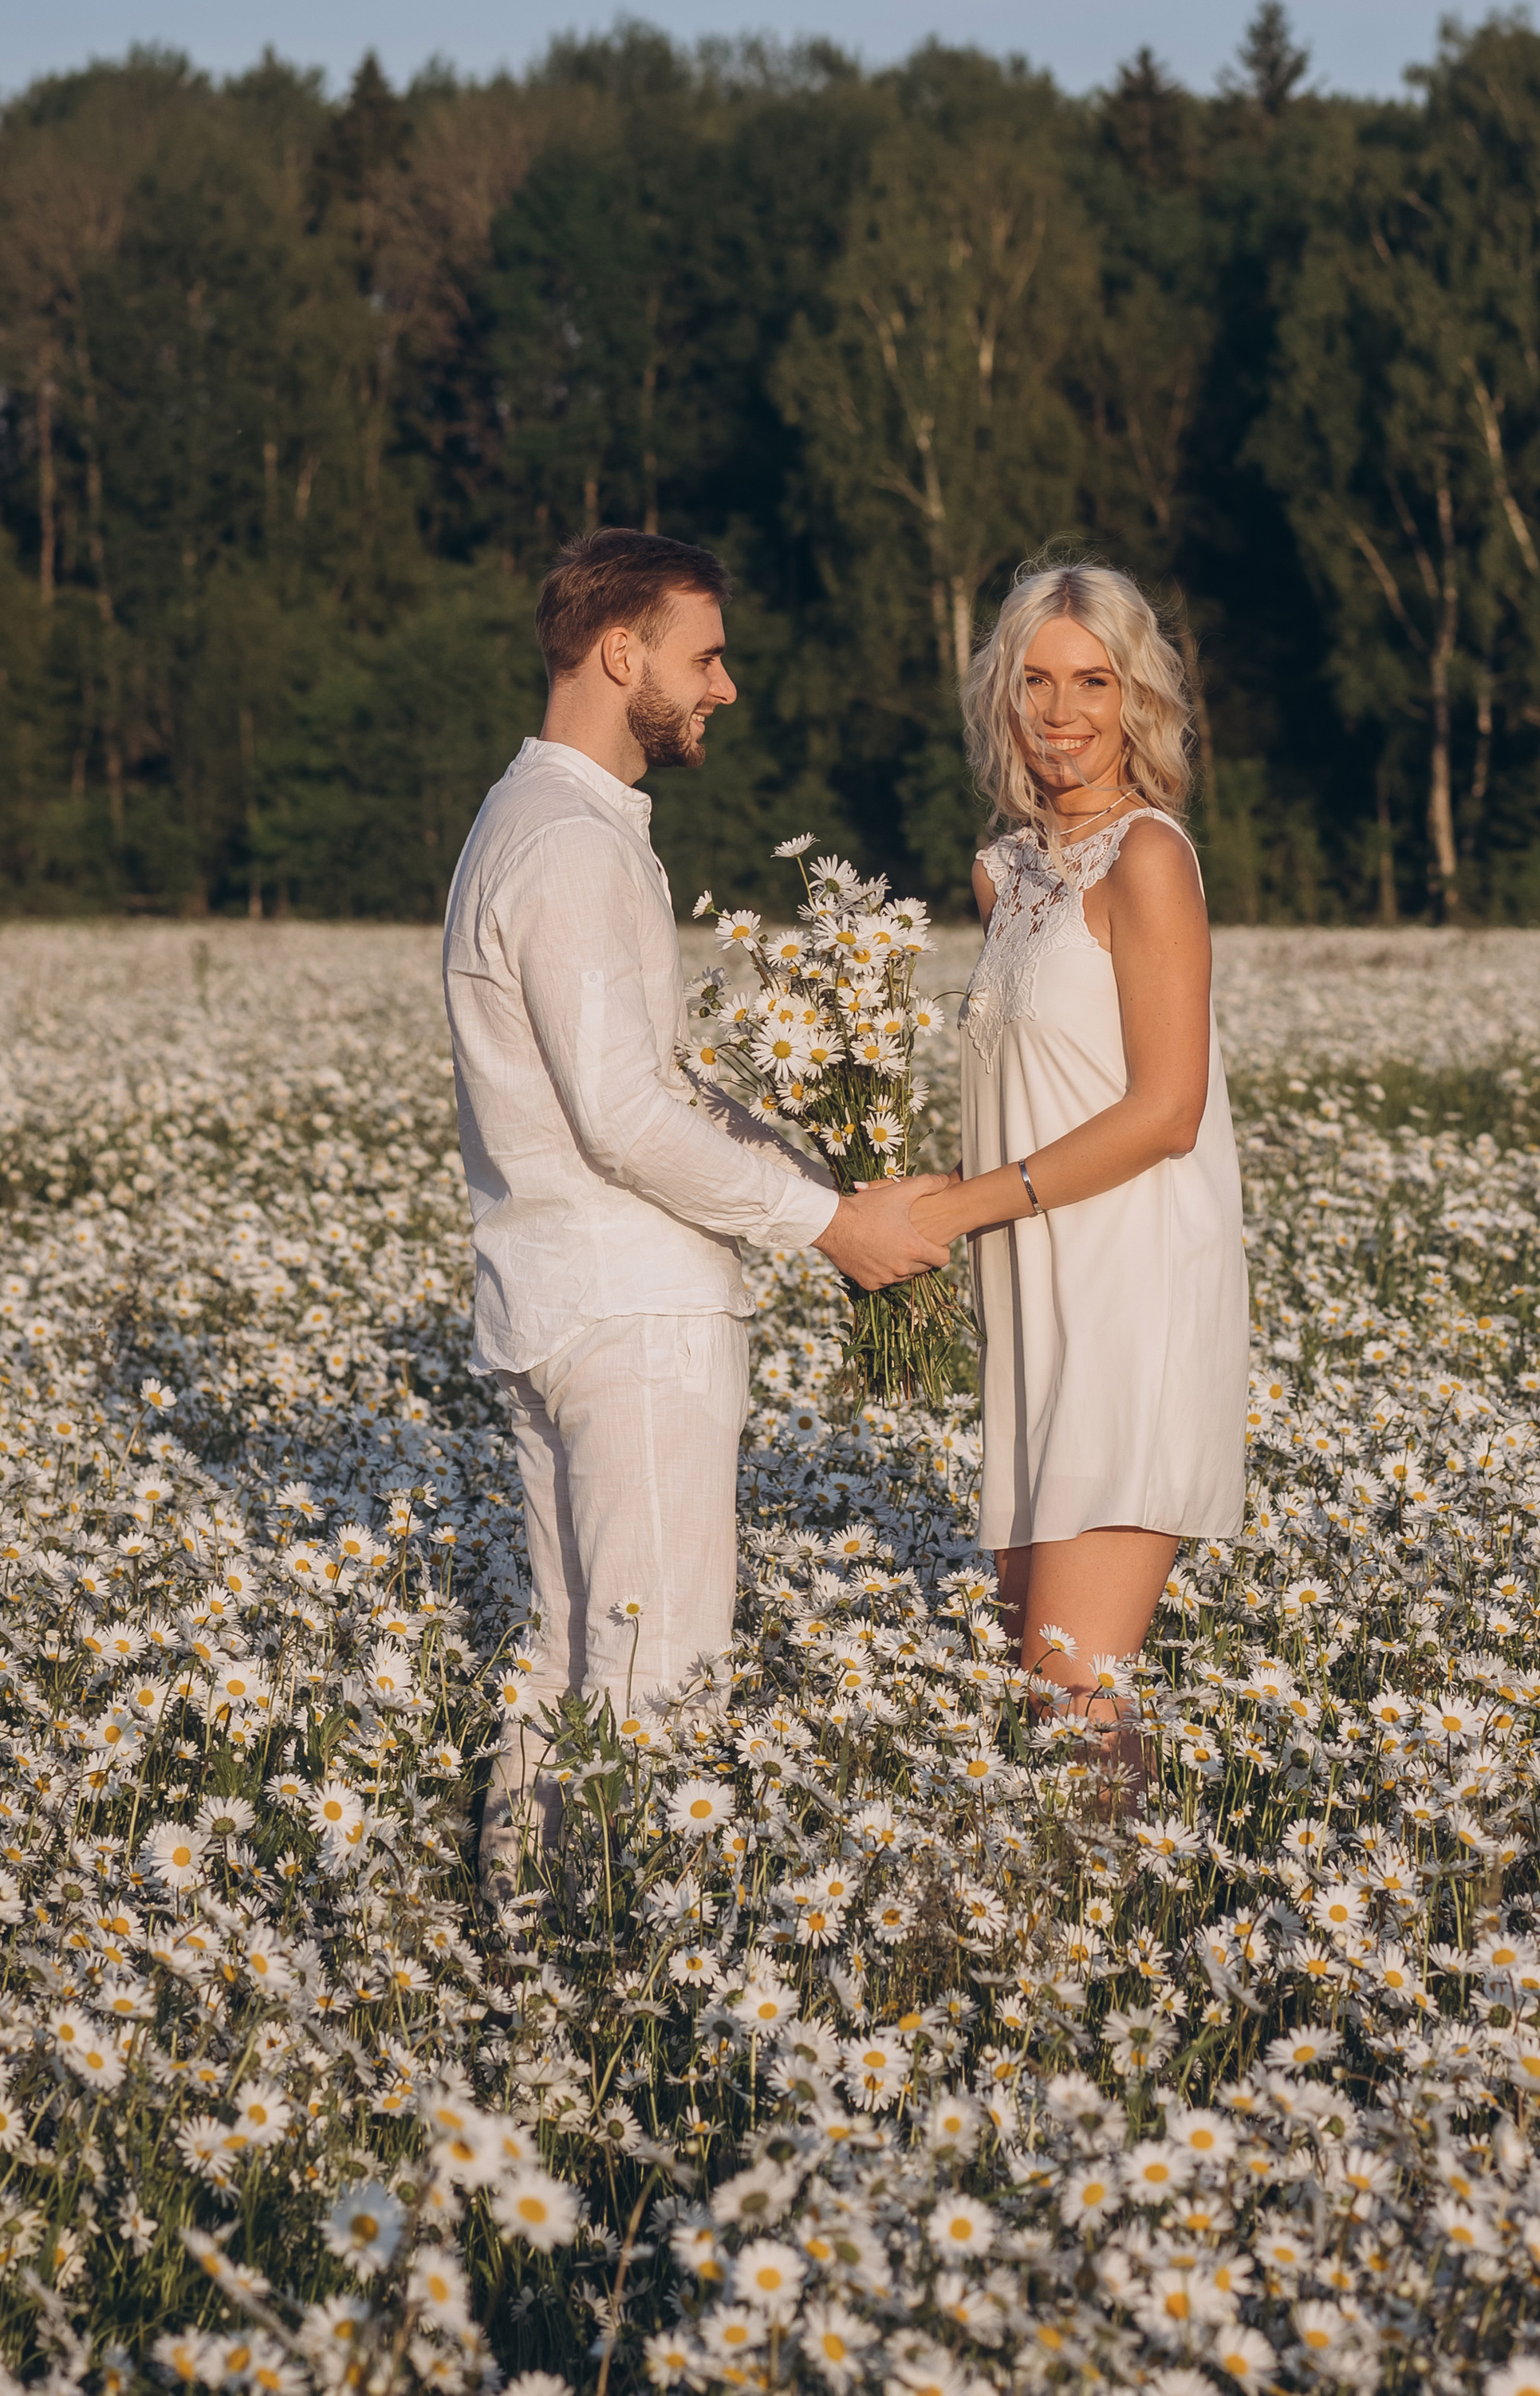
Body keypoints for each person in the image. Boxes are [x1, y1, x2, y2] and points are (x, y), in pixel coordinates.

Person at [445, 528, 949, 1886]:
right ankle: (622, 1964)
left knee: (572, 1657)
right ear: (623, 655)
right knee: (659, 1666)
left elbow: (641, 1083)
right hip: (631, 1313)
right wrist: (826, 1223)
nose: (725, 686)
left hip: (562, 1299)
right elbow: (624, 1117)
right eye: (704, 654)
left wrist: (818, 1172)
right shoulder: (565, 842)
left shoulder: (541, 819)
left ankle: (521, 1944)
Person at [908, 561, 1248, 1787]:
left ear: (1136, 696)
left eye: (1093, 682)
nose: (1063, 713)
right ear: (1003, 696)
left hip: (1129, 1304)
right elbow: (1036, 1092)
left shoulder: (1147, 858)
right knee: (1033, 1679)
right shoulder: (1005, 874)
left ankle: (1118, 1951)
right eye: (1037, 681)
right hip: (1033, 1313)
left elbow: (1165, 1112)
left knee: (1071, 1698)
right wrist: (911, 1190)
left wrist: (957, 1210)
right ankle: (1068, 1954)